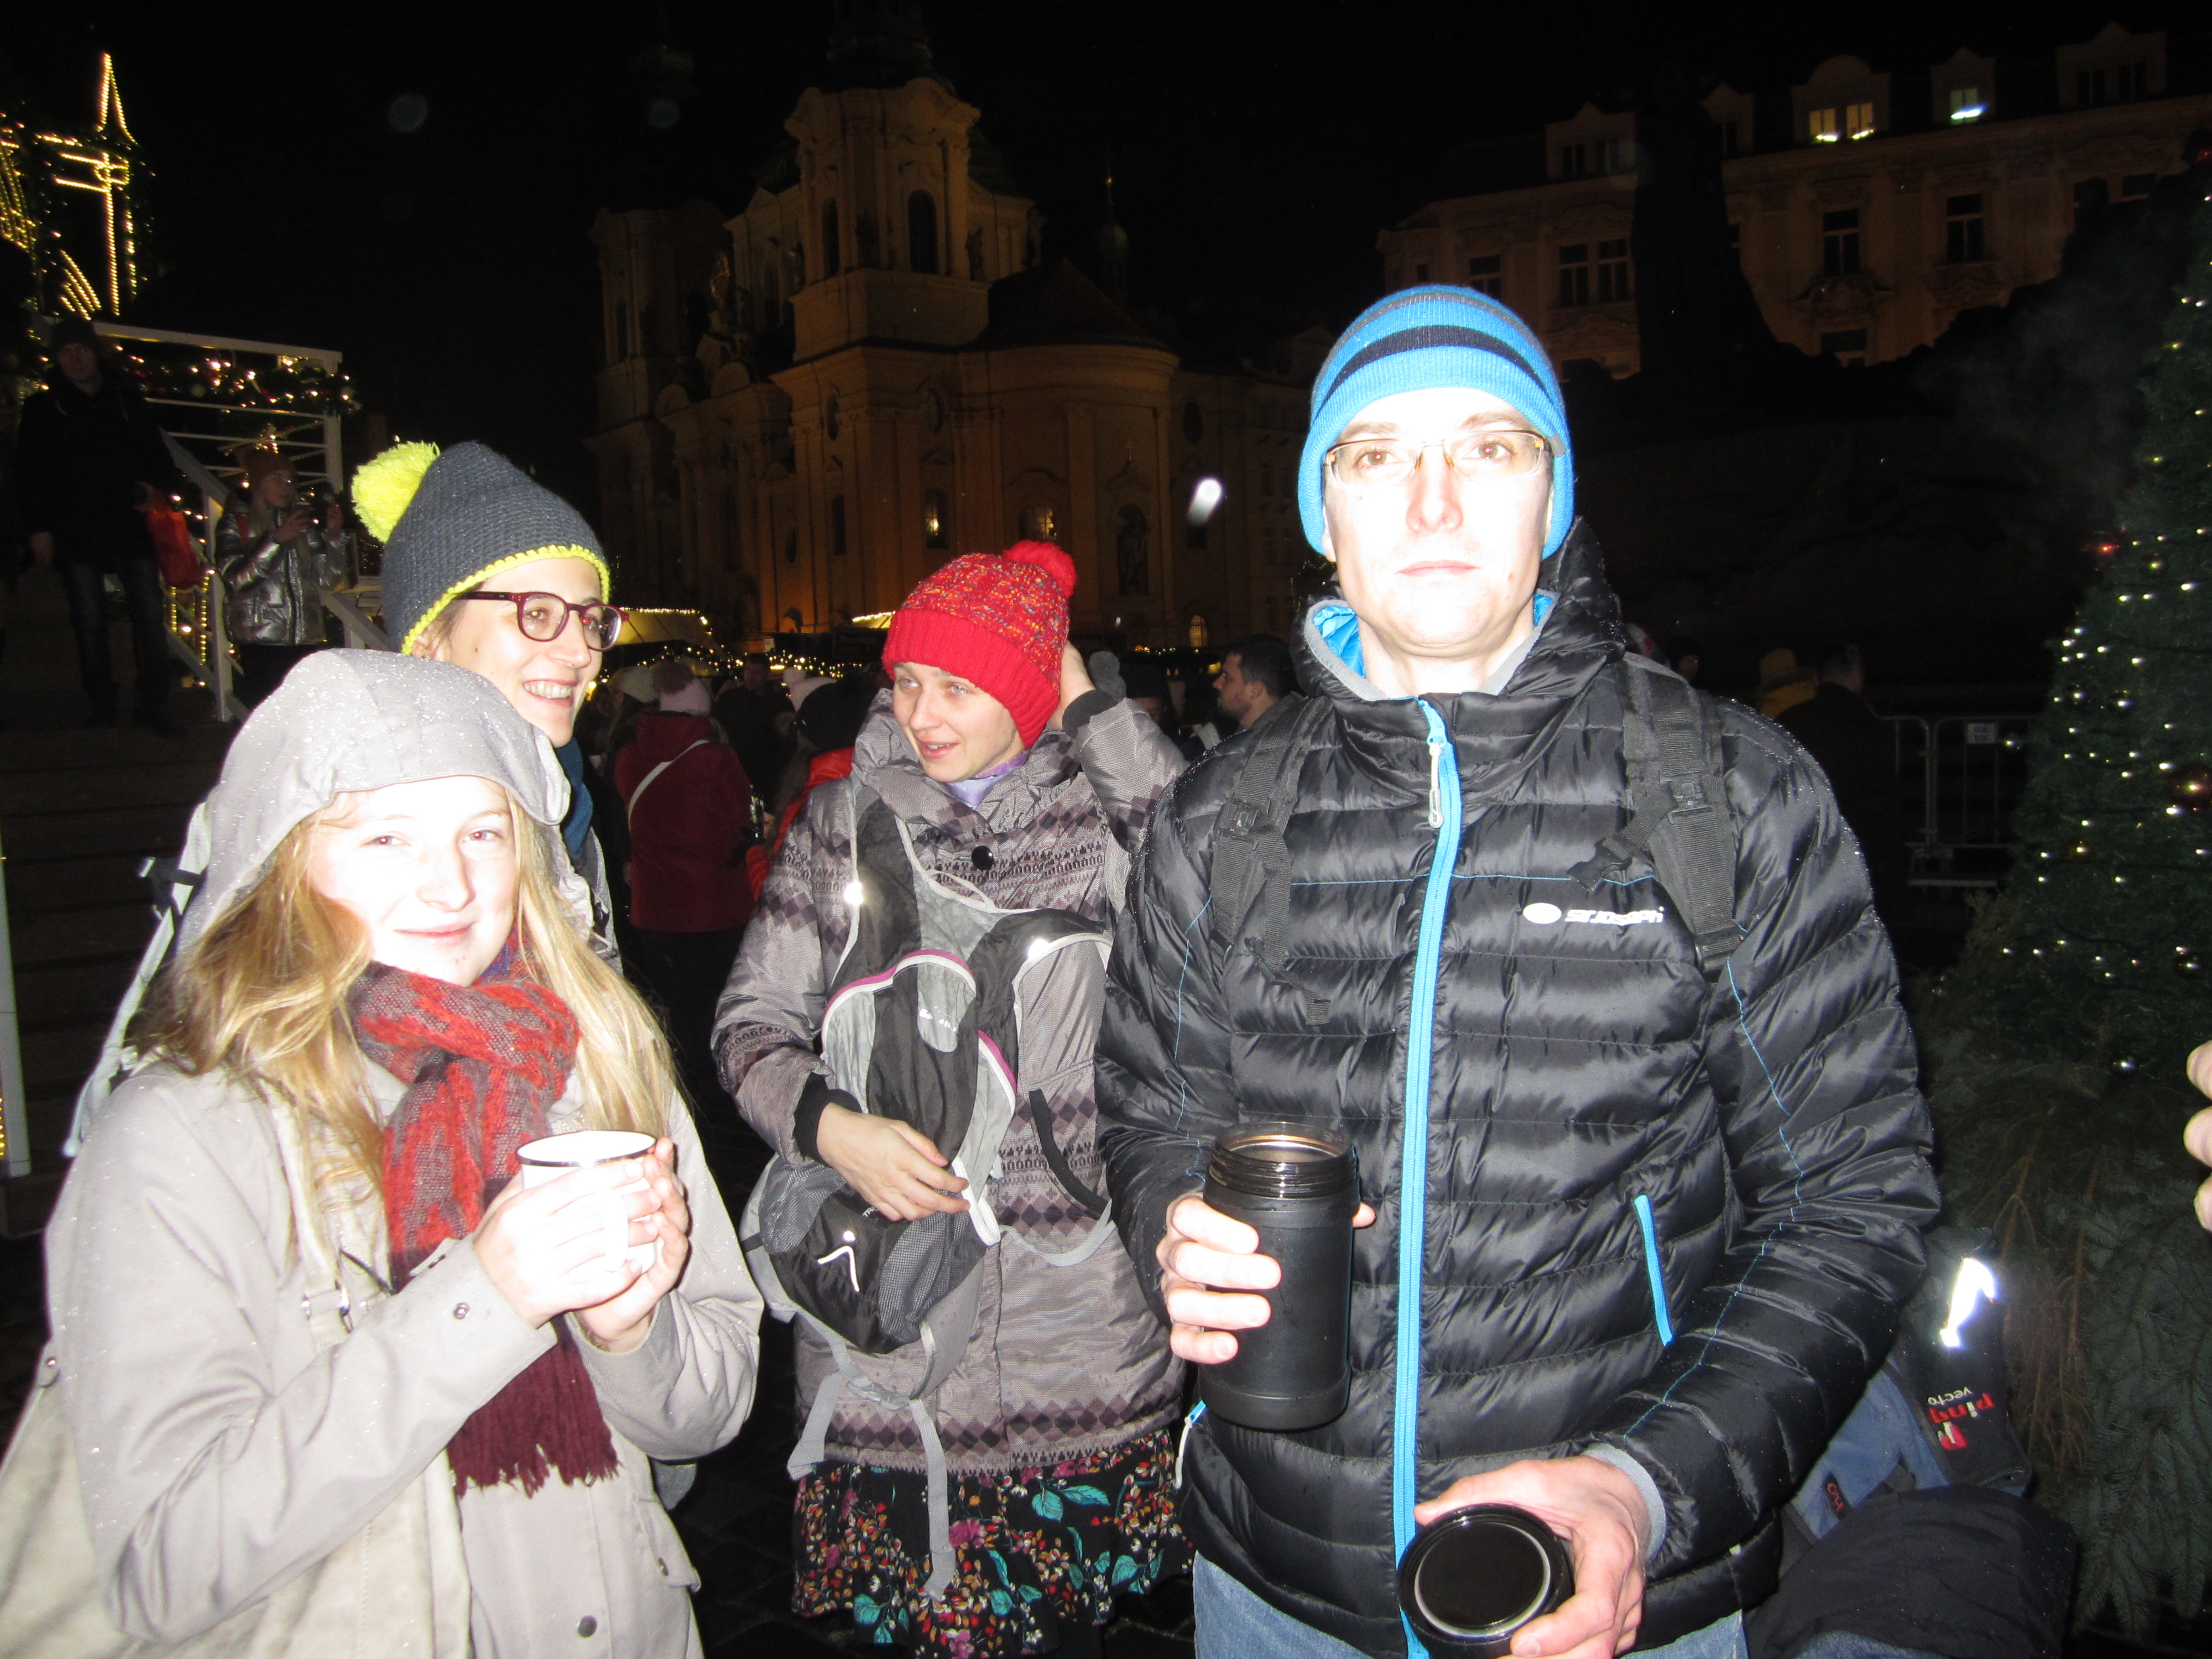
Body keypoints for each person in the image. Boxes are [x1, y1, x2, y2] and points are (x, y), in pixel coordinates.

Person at [1095, 286, 1938, 1659]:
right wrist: (1170, 1228)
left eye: (1488, 448)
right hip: (1271, 1586)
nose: (1431, 503)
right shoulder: (1213, 817)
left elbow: (1852, 1198)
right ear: (1322, 513)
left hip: (1605, 1594)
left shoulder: (1722, 792)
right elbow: (1148, 1112)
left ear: (1552, 496)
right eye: (1376, 456)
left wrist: (1643, 1488)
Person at [36, 649, 761, 1654]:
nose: (450, 884)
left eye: (482, 832)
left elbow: (707, 1420)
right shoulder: (187, 1132)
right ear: (285, 860)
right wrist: (484, 1301)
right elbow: (164, 1566)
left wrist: (630, 1334)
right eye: (385, 837)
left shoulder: (596, 1060)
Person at [714, 541, 1191, 1659]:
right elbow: (748, 1026)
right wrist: (830, 1128)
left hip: (1075, 1319)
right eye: (909, 681)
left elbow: (1212, 885)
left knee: (1062, 1631)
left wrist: (1087, 706)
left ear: (1026, 693)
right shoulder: (840, 822)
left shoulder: (1102, 825)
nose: (923, 714)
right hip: (889, 1311)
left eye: (960, 687)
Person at [357, 440, 627, 957]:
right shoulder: (360, 826)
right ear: (429, 640)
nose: (581, 652)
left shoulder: (563, 796)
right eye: (537, 613)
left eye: (590, 620)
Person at [17, 315, 185, 734]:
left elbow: (158, 458)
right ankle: (102, 706)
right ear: (57, 358)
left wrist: (153, 488)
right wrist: (39, 527)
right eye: (66, 352)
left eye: (81, 350)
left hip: (129, 524)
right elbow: (31, 473)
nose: (75, 359)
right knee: (89, 619)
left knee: (149, 614)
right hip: (76, 527)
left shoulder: (125, 400)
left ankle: (153, 705)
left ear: (95, 353)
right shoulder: (43, 408)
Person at [616, 659, 754, 1123]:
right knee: (717, 996)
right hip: (713, 903)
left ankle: (685, 1088)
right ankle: (723, 1088)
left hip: (654, 903)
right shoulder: (716, 759)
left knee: (677, 1001)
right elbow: (739, 821)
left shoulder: (629, 756)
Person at [1777, 642, 1911, 916]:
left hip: (1801, 844)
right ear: (1858, 673)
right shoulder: (1868, 725)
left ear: (1818, 678)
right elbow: (1883, 798)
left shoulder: (1791, 721)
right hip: (1857, 846)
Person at [215, 447, 349, 706]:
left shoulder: (302, 524)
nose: (286, 487)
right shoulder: (237, 522)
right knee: (270, 714)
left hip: (305, 640)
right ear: (259, 483)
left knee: (305, 714)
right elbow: (236, 580)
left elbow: (330, 582)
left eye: (290, 480)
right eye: (277, 479)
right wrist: (276, 540)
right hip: (262, 640)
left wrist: (334, 538)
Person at [713, 650, 794, 807]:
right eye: (748, 671)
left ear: (767, 675)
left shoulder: (779, 704)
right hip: (735, 771)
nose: (750, 677)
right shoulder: (729, 700)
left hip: (767, 776)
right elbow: (717, 731)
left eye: (757, 673)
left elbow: (787, 744)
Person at [1212, 633, 1295, 732]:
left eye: (1227, 677)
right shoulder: (1290, 727)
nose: (1216, 684)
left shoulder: (1281, 738)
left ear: (1255, 690)